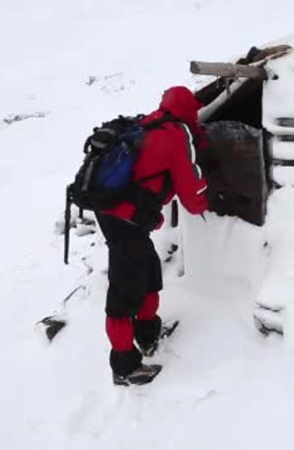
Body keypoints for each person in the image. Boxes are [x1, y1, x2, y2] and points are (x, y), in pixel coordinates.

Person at [96, 86, 209, 386]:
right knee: (124, 292)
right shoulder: (176, 134)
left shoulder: (149, 121)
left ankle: (147, 335)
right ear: (188, 109)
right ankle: (124, 367)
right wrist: (206, 204)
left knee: (148, 271)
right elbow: (190, 191)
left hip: (117, 214)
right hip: (125, 219)